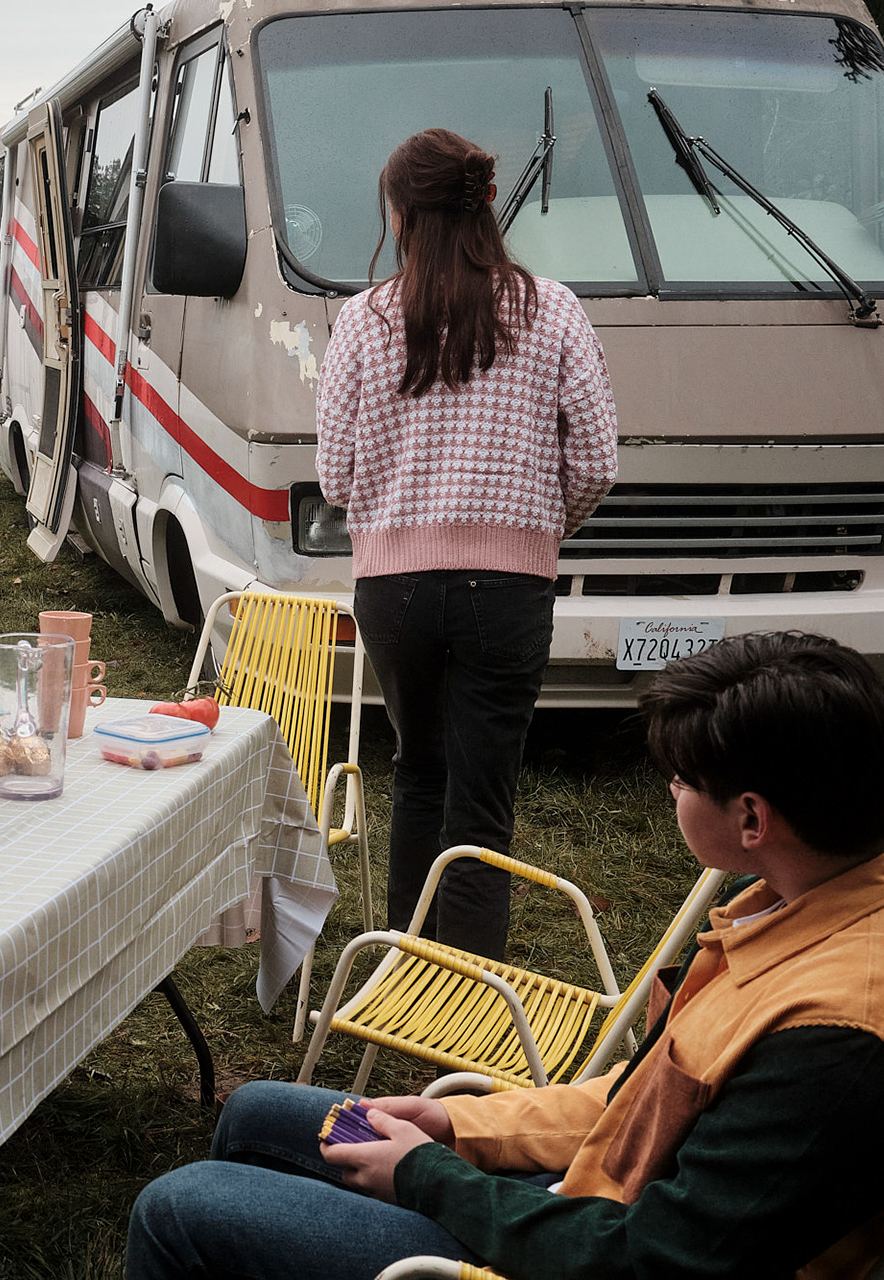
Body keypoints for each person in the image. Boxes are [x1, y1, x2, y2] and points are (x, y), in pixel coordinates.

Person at [128, 631, 884, 1280]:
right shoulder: (810, 903)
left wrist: (430, 1177)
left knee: (179, 1208)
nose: (669, 791)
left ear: (751, 819)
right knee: (257, 1113)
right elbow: (641, 1106)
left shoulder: (845, 1042)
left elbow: (654, 1261)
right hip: (591, 1202)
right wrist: (458, 1123)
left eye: (678, 779)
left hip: (591, 1251)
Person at [315, 129, 620, 961]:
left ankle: (405, 975)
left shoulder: (363, 320)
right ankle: (470, 991)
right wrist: (534, 525)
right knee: (483, 802)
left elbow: (336, 476)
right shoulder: (553, 309)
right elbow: (596, 462)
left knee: (418, 773)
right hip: (511, 588)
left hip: (394, 589)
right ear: (486, 203)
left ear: (401, 215)